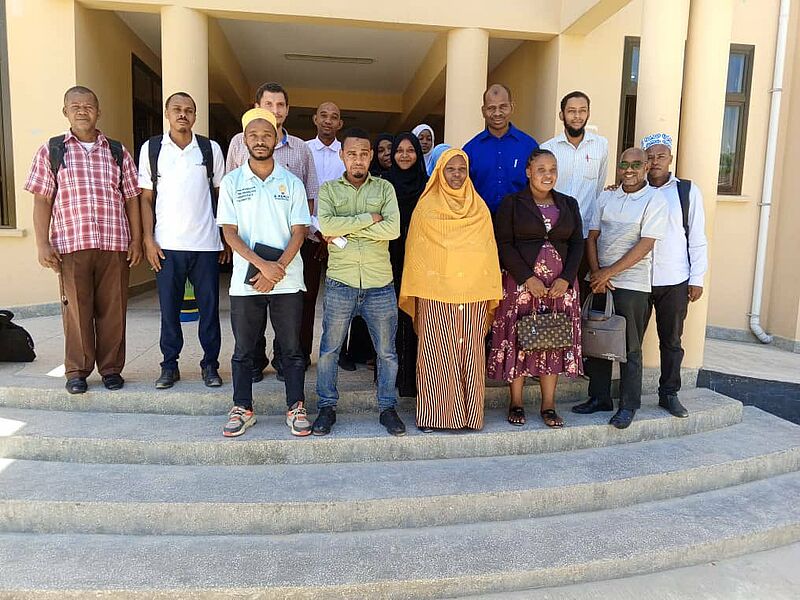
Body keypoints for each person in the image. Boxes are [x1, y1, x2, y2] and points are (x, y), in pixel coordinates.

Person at [26, 86, 141, 394]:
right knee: (76, 311)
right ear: (65, 112)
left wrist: (136, 239)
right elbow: (42, 200)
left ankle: (111, 369)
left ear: (98, 111)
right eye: (75, 106)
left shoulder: (117, 151)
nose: (82, 111)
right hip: (71, 245)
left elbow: (132, 198)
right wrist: (42, 243)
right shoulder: (52, 150)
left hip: (114, 243)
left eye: (88, 106)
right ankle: (77, 371)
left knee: (113, 310)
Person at [216, 109, 311, 438]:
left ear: (276, 139)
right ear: (244, 140)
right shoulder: (232, 182)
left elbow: (299, 231)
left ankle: (296, 406)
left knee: (292, 349)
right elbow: (229, 233)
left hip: (288, 280)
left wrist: (277, 269)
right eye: (254, 136)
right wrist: (263, 266)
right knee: (244, 350)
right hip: (247, 282)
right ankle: (242, 407)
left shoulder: (292, 182)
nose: (260, 140)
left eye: (267, 135)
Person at [399, 148, 502, 431]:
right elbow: (417, 254)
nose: (457, 175)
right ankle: (434, 417)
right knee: (436, 356)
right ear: (439, 172)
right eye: (450, 169)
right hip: (434, 293)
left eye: (462, 169)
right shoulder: (425, 208)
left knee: (470, 354)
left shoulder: (479, 208)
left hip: (473, 293)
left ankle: (470, 416)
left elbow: (487, 253)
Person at [313, 127, 405, 437]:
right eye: (352, 153)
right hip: (341, 283)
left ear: (371, 156)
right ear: (342, 156)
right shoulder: (329, 190)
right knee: (330, 350)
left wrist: (346, 229)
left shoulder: (385, 188)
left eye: (364, 154)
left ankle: (387, 408)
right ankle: (326, 407)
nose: (358, 159)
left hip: (380, 285)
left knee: (387, 352)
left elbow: (393, 230)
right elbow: (326, 226)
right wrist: (369, 219)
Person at [226, 82, 319, 382]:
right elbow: (230, 196)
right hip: (249, 250)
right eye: (269, 104)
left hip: (290, 244)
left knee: (290, 316)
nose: (275, 110)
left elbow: (309, 195)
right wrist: (259, 262)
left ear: (287, 110)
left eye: (280, 105)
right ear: (257, 106)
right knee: (250, 318)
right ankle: (255, 363)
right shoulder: (238, 144)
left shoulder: (301, 149)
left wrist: (282, 257)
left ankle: (285, 363)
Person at [573, 147, 668, 429]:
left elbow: (646, 244)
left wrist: (608, 273)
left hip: (632, 285)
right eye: (624, 164)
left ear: (646, 167)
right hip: (599, 280)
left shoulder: (655, 199)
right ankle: (599, 397)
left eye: (636, 165)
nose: (629, 170)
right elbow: (592, 236)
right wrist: (596, 273)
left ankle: (628, 405)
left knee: (630, 347)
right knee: (597, 339)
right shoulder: (606, 196)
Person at [488, 149, 585, 428]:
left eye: (552, 169)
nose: (548, 174)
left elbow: (577, 243)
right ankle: (516, 402)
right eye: (541, 169)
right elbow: (504, 243)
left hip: (560, 288)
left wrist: (567, 278)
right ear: (528, 172)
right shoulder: (512, 203)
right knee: (519, 340)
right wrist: (527, 278)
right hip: (521, 286)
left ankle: (548, 405)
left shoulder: (568, 203)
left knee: (553, 339)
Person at [138, 92, 228, 389]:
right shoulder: (152, 148)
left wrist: (225, 237)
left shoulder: (210, 149)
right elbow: (146, 198)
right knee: (169, 311)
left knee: (209, 311)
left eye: (189, 110)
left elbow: (221, 195)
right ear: (167, 113)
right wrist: (148, 239)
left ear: (195, 116)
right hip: (167, 245)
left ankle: (210, 365)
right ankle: (169, 365)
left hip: (205, 244)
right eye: (176, 109)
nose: (182, 114)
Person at [642, 132, 708, 419]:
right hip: (638, 279)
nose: (655, 161)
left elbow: (697, 238)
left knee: (671, 341)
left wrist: (697, 278)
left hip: (675, 278)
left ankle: (669, 393)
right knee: (630, 342)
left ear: (670, 158)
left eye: (661, 156)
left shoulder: (687, 192)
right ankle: (627, 396)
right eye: (650, 157)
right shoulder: (632, 189)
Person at [540, 91, 608, 298]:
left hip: (585, 234)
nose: (577, 116)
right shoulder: (547, 148)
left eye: (582, 111)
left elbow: (599, 187)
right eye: (571, 111)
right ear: (562, 115)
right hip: (554, 233)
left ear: (588, 114)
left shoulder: (601, 146)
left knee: (580, 293)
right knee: (552, 290)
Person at [386, 133, 429, 398]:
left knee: (415, 318)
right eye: (399, 150)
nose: (404, 155)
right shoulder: (384, 184)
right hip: (388, 260)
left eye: (410, 150)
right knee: (390, 319)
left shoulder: (428, 185)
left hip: (420, 261)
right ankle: (390, 379)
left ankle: (413, 379)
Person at [304, 101, 345, 367]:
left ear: (340, 123)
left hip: (340, 239)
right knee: (306, 297)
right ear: (315, 119)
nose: (328, 120)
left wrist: (331, 233)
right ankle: (302, 352)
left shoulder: (346, 153)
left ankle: (338, 354)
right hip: (308, 236)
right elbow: (299, 194)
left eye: (334, 117)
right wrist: (317, 230)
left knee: (340, 300)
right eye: (324, 116)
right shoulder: (304, 149)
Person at [463, 84, 539, 214]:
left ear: (512, 107)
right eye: (491, 108)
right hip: (481, 221)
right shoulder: (470, 149)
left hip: (520, 220)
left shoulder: (529, 146)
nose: (497, 113)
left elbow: (537, 187)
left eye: (503, 107)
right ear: (483, 111)